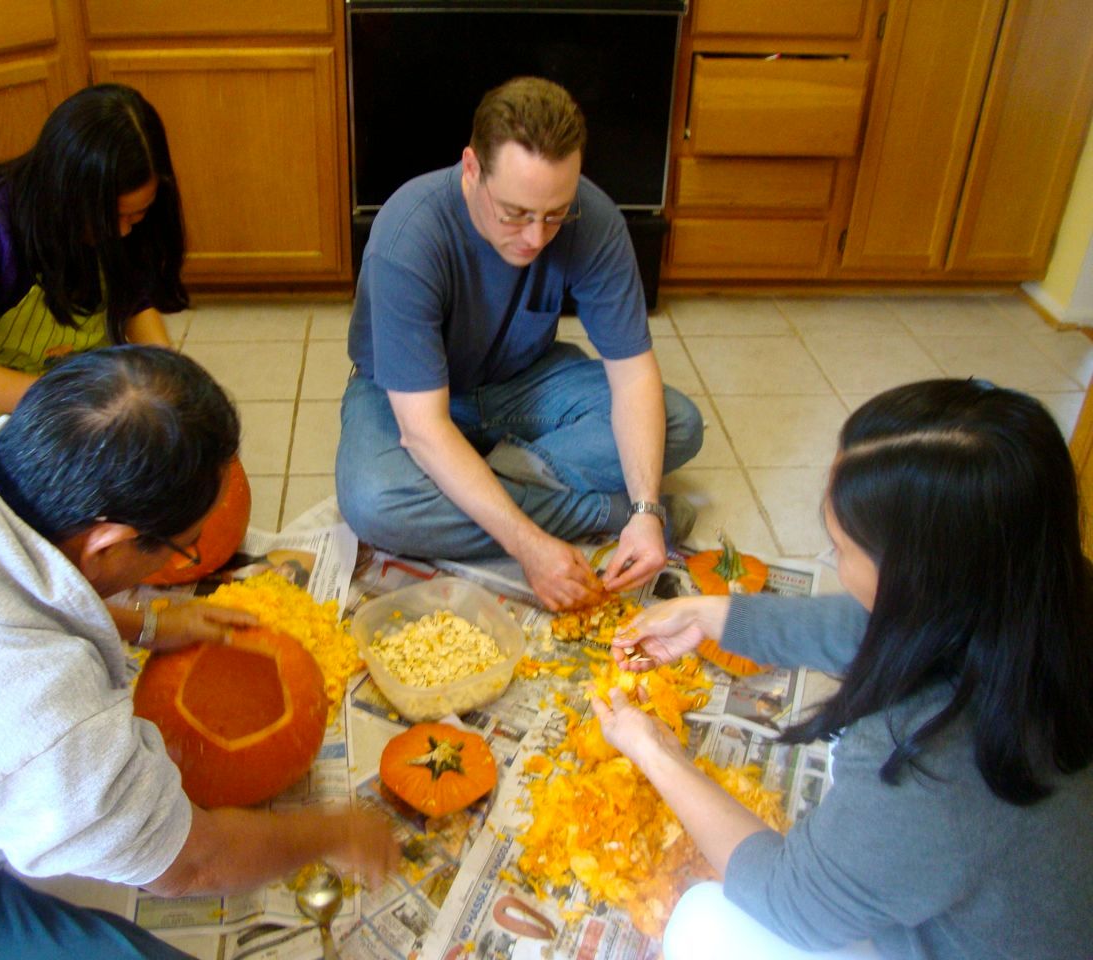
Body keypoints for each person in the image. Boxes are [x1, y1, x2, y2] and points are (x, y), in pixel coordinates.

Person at [0, 347, 398, 960]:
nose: (186, 565)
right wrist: (335, 829)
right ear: (109, 541)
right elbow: (195, 866)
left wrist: (141, 622)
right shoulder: (35, 716)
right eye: (185, 547)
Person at [593, 379, 1093, 960]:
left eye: (841, 548)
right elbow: (873, 629)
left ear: (914, 583)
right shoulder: (1038, 586)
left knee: (701, 923)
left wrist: (655, 752)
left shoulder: (932, 760)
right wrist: (714, 617)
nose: (832, 560)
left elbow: (787, 899)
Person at [336, 76, 703, 611]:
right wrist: (529, 545)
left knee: (679, 421)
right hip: (407, 400)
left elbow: (633, 376)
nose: (536, 237)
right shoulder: (407, 236)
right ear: (471, 170)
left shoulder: (594, 218)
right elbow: (425, 428)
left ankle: (482, 480)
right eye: (515, 214)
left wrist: (647, 509)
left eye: (555, 214)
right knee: (375, 502)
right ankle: (599, 510)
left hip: (523, 381)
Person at [0, 83, 186, 423]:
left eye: (137, 215)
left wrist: (168, 376)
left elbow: (135, 298)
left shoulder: (118, 217)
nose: (123, 231)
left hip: (74, 391)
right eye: (111, 218)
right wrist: (70, 398)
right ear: (65, 194)